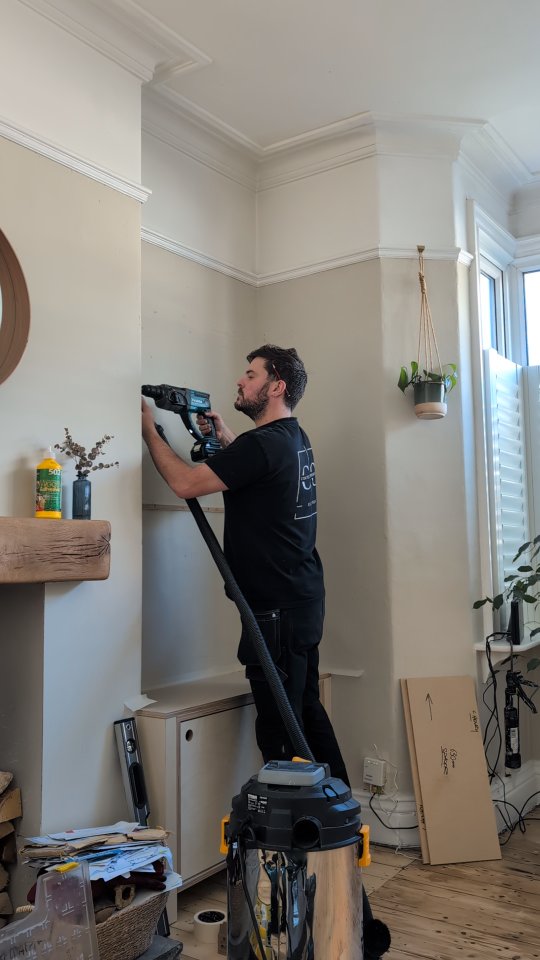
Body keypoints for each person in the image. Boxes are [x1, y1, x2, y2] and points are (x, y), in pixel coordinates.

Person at [141, 344, 348, 783]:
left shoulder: (262, 446)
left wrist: (150, 433)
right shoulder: (292, 437)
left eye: (251, 375)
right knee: (305, 713)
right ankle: (341, 818)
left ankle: (294, 843)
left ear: (277, 386)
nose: (240, 380)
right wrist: (226, 440)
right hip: (300, 601)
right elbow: (259, 467)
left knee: (280, 730)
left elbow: (183, 484)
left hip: (275, 613)